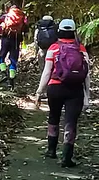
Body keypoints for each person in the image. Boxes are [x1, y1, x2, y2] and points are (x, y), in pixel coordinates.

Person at [34, 19, 90, 168]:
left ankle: (51, 150)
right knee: (71, 122)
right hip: (75, 89)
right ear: (74, 32)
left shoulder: (53, 48)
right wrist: (87, 95)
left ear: (59, 31)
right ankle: (66, 157)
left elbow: (47, 72)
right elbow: (86, 74)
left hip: (55, 88)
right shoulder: (81, 49)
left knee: (54, 117)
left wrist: (39, 92)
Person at [0, 1, 29, 83]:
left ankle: (3, 72)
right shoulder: (22, 17)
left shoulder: (5, 16)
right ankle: (12, 77)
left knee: (2, 56)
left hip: (5, 38)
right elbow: (25, 29)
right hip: (16, 40)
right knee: (13, 58)